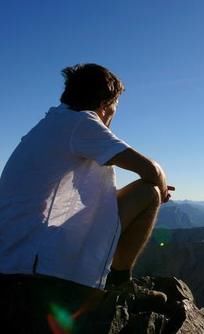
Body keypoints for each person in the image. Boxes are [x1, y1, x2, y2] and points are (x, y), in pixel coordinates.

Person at [0, 64, 174, 298]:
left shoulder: (53, 123)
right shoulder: (82, 123)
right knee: (148, 192)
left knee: (142, 193)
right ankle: (119, 282)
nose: (113, 115)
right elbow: (151, 170)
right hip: (32, 255)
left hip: (15, 247)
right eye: (114, 107)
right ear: (104, 105)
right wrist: (160, 189)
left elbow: (93, 199)